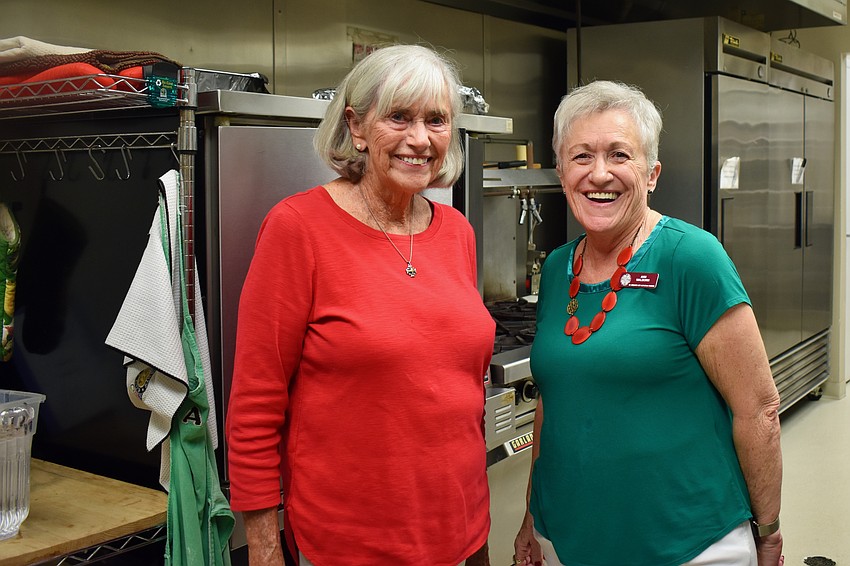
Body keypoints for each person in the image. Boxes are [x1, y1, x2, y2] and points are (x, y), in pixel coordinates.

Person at [225, 44, 494, 566]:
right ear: (357, 126)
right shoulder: (297, 229)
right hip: (345, 544)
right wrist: (263, 546)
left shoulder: (456, 231)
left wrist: (477, 537)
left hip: (459, 531)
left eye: (436, 120)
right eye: (399, 117)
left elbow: (462, 400)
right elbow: (256, 403)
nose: (420, 139)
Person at [513, 81, 784, 566]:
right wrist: (531, 518)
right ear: (560, 172)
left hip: (687, 544)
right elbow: (552, 407)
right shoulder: (557, 269)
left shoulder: (692, 258)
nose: (600, 174)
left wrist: (768, 531)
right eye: (581, 157)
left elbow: (758, 409)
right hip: (567, 538)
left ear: (651, 173)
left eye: (620, 155)